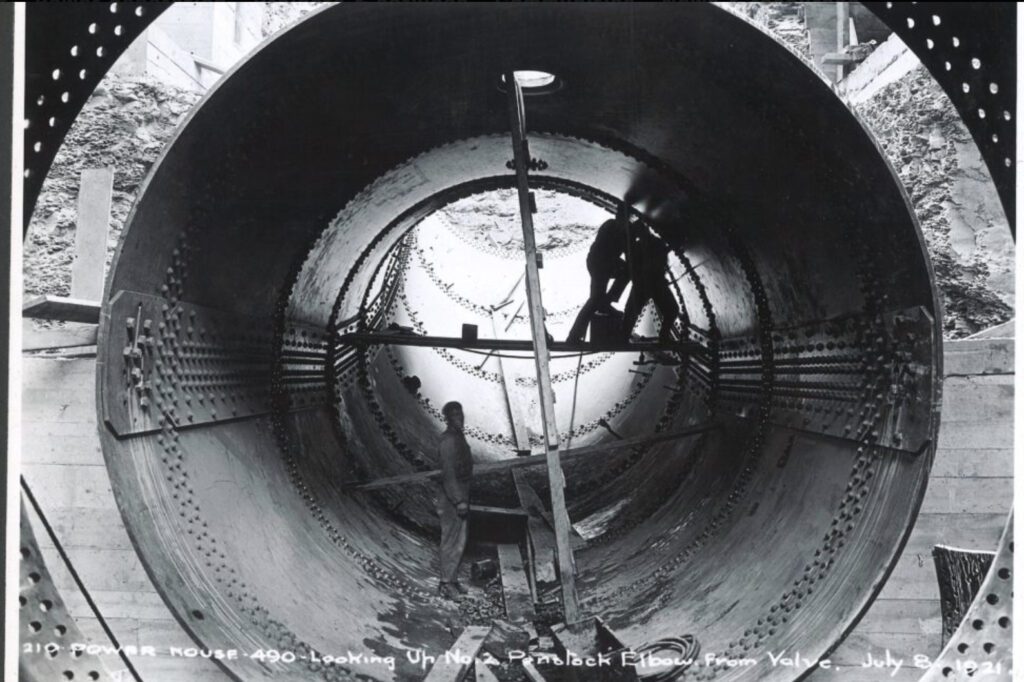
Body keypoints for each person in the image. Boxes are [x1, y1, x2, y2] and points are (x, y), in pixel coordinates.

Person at [565, 203, 632, 343]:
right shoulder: (612, 227)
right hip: (599, 264)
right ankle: (574, 336)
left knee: (596, 298)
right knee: (595, 300)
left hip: (602, 264)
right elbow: (609, 252)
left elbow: (627, 255)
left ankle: (605, 302)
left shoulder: (617, 228)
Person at [436, 401, 474, 599]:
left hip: (460, 493)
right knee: (450, 540)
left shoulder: (458, 436)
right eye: (455, 415)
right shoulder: (448, 441)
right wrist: (458, 500)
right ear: (448, 419)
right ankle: (445, 584)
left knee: (460, 540)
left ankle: (453, 580)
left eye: (461, 414)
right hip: (451, 498)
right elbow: (448, 474)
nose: (460, 418)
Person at [622, 224, 679, 342]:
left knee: (630, 313)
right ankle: (663, 336)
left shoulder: (635, 247)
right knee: (672, 310)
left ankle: (622, 337)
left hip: (642, 284)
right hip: (656, 284)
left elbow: (632, 268)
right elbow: (661, 262)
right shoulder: (657, 243)